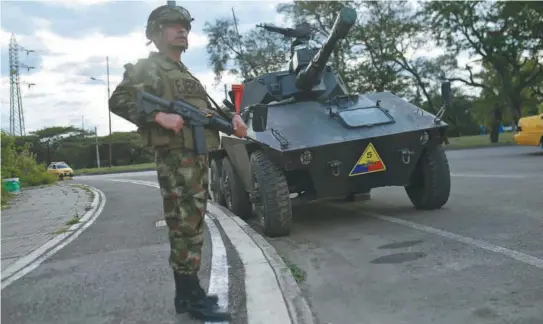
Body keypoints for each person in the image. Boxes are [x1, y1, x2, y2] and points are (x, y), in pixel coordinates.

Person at [108, 4, 247, 322]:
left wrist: (232, 121)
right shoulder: (149, 68)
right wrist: (157, 115)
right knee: (185, 226)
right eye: (173, 25)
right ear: (156, 33)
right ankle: (190, 296)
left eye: (184, 25)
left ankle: (187, 294)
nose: (182, 29)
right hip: (176, 160)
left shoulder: (185, 74)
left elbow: (205, 115)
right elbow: (118, 100)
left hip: (196, 160)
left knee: (193, 224)